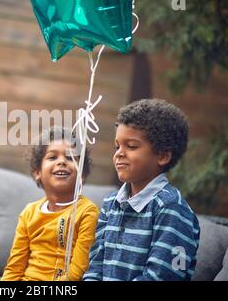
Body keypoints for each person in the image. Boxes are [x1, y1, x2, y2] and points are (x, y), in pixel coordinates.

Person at [83, 98, 200, 281]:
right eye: (117, 146)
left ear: (162, 156)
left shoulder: (172, 209)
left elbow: (163, 276)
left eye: (131, 146)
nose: (119, 153)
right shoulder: (110, 204)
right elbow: (96, 267)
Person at [1, 126, 99, 281]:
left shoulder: (87, 212)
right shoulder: (29, 212)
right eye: (52, 157)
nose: (62, 161)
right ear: (37, 173)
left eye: (70, 157)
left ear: (83, 174)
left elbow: (76, 273)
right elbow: (14, 268)